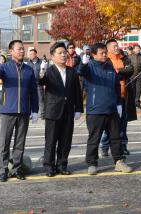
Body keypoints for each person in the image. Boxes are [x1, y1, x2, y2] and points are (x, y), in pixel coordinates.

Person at [78, 42, 133, 175]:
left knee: (115, 137)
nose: (104, 55)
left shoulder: (109, 66)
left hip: (111, 109)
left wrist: (119, 103)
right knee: (94, 138)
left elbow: (116, 86)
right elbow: (81, 72)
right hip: (95, 110)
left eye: (105, 52)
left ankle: (119, 161)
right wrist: (83, 64)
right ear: (93, 55)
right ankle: (92, 163)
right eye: (101, 53)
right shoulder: (89, 66)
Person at [0, 40, 39, 182]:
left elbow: (33, 91)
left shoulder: (29, 69)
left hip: (24, 111)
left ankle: (17, 169)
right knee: (4, 143)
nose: (22, 51)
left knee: (20, 143)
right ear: (11, 51)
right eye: (19, 49)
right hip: (8, 110)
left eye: (23, 49)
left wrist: (35, 110)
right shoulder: (5, 67)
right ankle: (3, 169)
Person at [39, 42, 83, 177]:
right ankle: (49, 166)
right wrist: (41, 73)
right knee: (51, 140)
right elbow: (40, 82)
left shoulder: (72, 71)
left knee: (66, 140)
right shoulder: (49, 71)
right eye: (60, 53)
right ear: (53, 56)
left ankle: (62, 164)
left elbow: (77, 91)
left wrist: (78, 109)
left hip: (68, 110)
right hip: (53, 110)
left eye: (65, 53)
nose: (63, 55)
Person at [100, 39, 136, 156]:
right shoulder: (105, 60)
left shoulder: (124, 58)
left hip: (124, 95)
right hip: (111, 96)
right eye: (114, 46)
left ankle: (123, 145)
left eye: (117, 45)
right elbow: (106, 73)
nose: (117, 47)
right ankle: (105, 146)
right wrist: (120, 72)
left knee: (123, 122)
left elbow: (130, 69)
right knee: (108, 123)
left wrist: (117, 72)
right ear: (108, 48)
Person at [27, 48, 46, 119]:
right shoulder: (28, 63)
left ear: (36, 54)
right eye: (30, 54)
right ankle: (32, 114)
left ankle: (43, 114)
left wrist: (45, 83)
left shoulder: (41, 62)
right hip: (30, 84)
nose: (30, 55)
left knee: (41, 99)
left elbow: (45, 72)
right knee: (30, 99)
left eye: (32, 54)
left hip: (39, 83)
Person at [129, 44, 141, 109]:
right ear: (133, 49)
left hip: (140, 76)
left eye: (139, 48)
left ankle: (137, 102)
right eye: (136, 48)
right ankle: (131, 103)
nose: (138, 49)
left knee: (138, 90)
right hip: (132, 76)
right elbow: (127, 67)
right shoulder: (130, 57)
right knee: (132, 89)